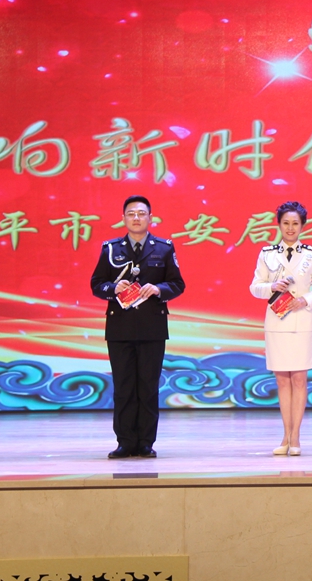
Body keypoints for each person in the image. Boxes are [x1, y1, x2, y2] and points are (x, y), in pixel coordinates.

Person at [90, 195, 185, 459]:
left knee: (148, 386)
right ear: (123, 218)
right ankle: (125, 442)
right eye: (131, 213)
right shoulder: (111, 249)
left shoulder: (164, 248)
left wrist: (158, 289)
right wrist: (113, 288)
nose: (136, 218)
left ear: (150, 218)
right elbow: (97, 284)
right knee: (123, 387)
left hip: (152, 327)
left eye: (141, 213)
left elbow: (177, 284)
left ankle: (145, 442)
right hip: (119, 328)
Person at [249, 201, 312, 457]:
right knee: (282, 381)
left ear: (302, 225)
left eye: (295, 223)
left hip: (301, 321)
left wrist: (305, 300)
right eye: (286, 223)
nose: (290, 228)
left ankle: (296, 437)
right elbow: (255, 287)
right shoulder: (267, 253)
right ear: (279, 225)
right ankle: (285, 435)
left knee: (299, 379)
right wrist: (271, 287)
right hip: (276, 322)